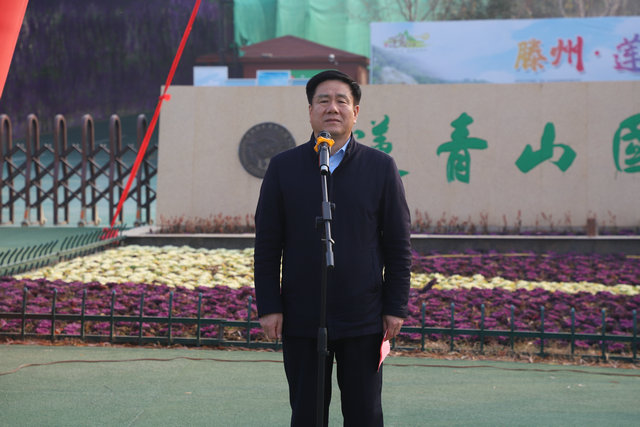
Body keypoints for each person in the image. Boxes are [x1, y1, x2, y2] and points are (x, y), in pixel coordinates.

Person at [254, 70, 411, 426]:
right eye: (323, 100)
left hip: (364, 316)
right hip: (302, 315)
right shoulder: (283, 168)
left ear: (356, 112)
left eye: (342, 101)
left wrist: (395, 306)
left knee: (364, 414)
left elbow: (399, 245)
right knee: (307, 414)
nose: (332, 108)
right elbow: (267, 245)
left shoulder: (380, 167)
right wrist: (269, 306)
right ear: (310, 111)